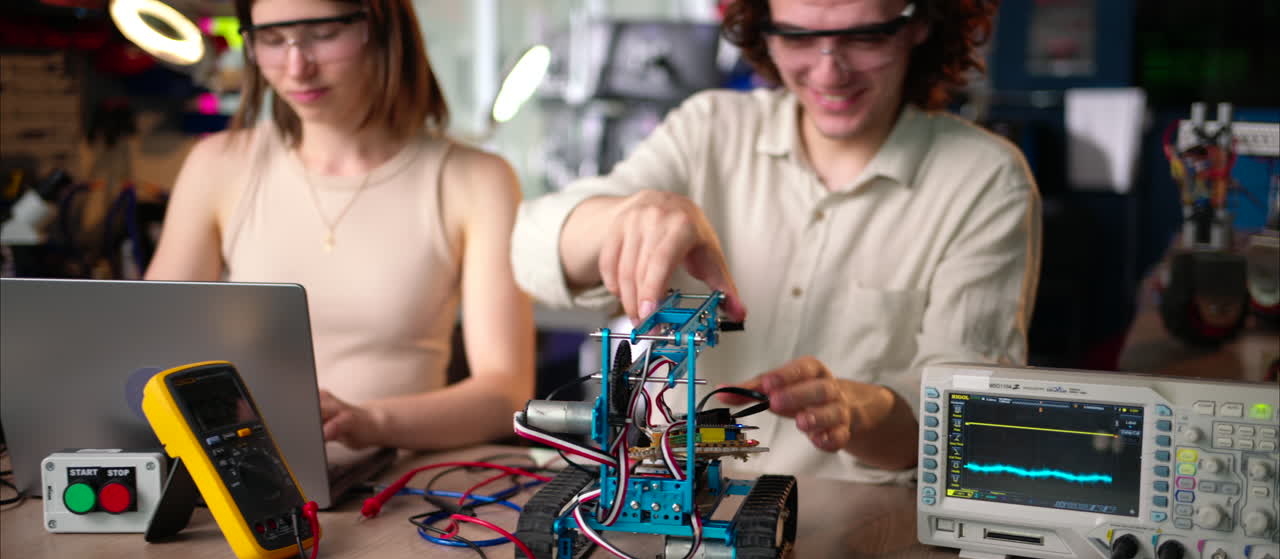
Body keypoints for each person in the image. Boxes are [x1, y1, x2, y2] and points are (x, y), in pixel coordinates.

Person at [511, 0, 1040, 482]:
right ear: (762, 28)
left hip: (867, 540)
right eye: (797, 36)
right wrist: (624, 218)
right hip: (673, 508)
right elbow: (528, 247)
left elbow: (967, 425)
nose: (829, 71)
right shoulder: (709, 130)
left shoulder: (984, 179)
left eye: (865, 38)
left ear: (921, 24)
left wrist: (861, 411)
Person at [146, 0, 534, 459]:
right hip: (244, 479)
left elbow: (505, 392)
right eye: (272, 40)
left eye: (323, 35)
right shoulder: (217, 165)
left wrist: (369, 423)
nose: (296, 67)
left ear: (385, 31)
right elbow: (152, 352)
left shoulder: (476, 179)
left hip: (397, 486)